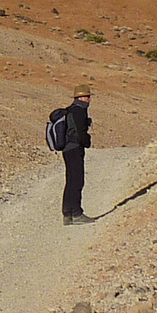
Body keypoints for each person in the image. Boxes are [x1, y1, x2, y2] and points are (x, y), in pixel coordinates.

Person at [60, 85, 94, 225]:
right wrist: (87, 141)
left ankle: (67, 214)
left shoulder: (71, 110)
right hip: (75, 148)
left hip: (68, 149)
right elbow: (80, 133)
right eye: (87, 96)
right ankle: (76, 213)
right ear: (81, 98)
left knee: (71, 180)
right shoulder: (79, 111)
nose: (89, 99)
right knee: (77, 181)